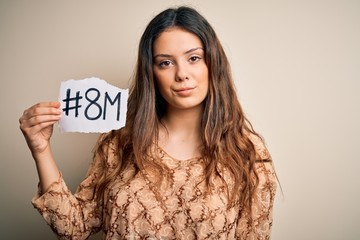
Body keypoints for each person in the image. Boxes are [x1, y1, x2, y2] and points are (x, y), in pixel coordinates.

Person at [19, 6, 277, 240]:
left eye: (194, 58)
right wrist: (41, 150)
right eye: (165, 63)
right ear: (151, 73)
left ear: (213, 63)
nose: (182, 74)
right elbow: (74, 229)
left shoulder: (247, 154)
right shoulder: (119, 143)